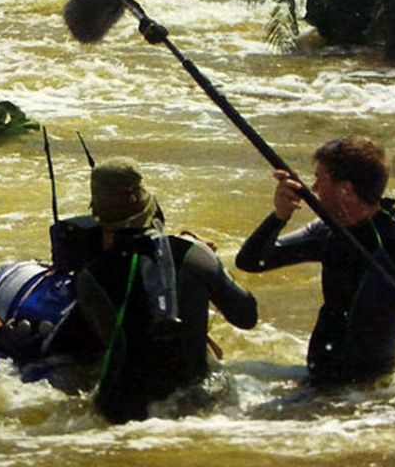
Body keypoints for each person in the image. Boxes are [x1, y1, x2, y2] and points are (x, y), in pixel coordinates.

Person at [235, 136, 395, 387]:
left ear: (345, 189)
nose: (314, 188)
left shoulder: (393, 245)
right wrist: (279, 216)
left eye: (320, 179)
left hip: (363, 396)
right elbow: (251, 261)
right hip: (320, 381)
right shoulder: (328, 231)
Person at [74, 157, 258, 423]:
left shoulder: (89, 276)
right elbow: (247, 316)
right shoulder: (194, 255)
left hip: (124, 411)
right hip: (197, 407)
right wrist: (209, 259)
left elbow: (90, 343)